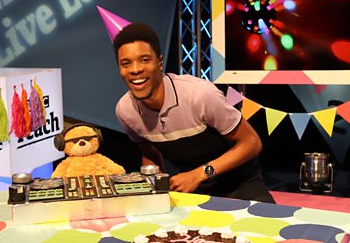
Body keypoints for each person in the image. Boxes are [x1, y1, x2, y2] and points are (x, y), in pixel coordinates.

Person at [113, 22, 275, 203]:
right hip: (192, 188)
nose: (135, 70)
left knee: (266, 229)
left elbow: (251, 143)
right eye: (126, 63)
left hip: (240, 182)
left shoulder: (200, 95)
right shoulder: (125, 110)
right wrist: (152, 189)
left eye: (144, 60)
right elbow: (149, 153)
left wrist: (200, 174)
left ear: (159, 63)